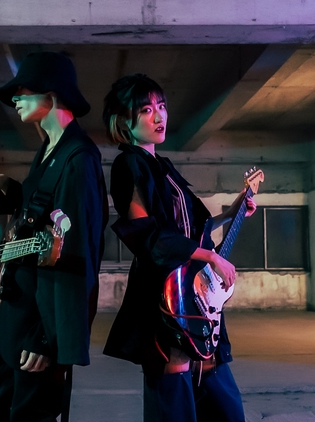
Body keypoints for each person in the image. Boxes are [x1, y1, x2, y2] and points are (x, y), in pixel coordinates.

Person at [101, 74, 256, 422]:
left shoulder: (163, 167)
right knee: (174, 400)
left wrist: (234, 211)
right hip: (165, 295)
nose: (159, 116)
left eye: (161, 106)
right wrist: (210, 256)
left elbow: (193, 229)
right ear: (124, 121)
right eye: (146, 110)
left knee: (223, 400)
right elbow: (147, 236)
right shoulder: (129, 164)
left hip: (194, 292)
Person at [0, 52, 107, 422]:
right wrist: (11, 187)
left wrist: (48, 336)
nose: (15, 99)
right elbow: (43, 211)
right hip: (18, 305)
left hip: (39, 317)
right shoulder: (49, 149)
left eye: (23, 92)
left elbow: (77, 252)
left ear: (52, 93)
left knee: (30, 413)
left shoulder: (79, 158)